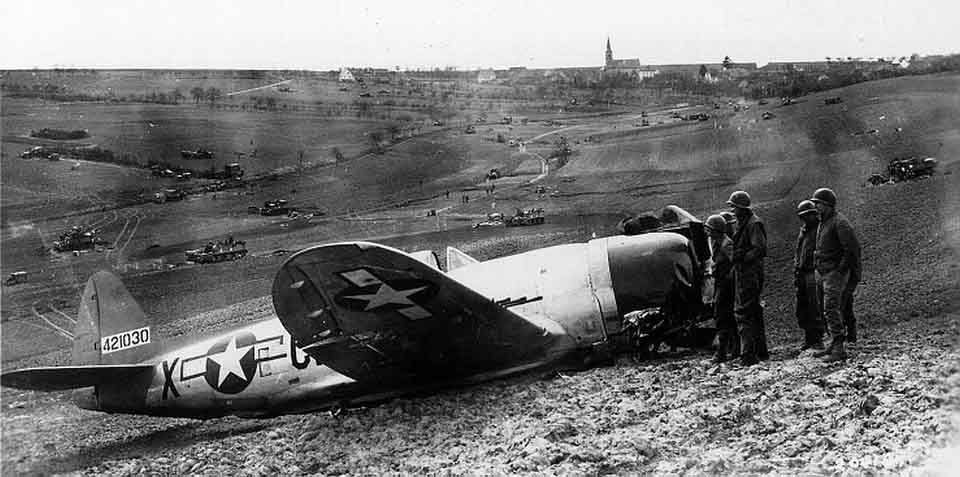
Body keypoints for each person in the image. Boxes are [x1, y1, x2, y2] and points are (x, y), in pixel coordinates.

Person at [810, 188, 861, 363]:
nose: (815, 207)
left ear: (828, 205)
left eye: (818, 204)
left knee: (831, 309)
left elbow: (852, 249)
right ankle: (833, 343)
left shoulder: (840, 222)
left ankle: (839, 347)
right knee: (825, 310)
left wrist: (840, 271)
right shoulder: (824, 221)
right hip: (823, 272)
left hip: (833, 273)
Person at [727, 191, 769, 366]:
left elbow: (760, 249)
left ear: (742, 208)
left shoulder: (753, 224)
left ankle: (748, 356)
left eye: (734, 207)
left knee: (744, 312)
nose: (732, 210)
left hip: (749, 273)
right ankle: (760, 351)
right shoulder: (744, 222)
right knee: (753, 311)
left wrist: (741, 256)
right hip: (745, 272)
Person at [705, 214, 738, 363]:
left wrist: (728, 278)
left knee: (723, 317)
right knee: (724, 317)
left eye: (710, 229)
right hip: (720, 283)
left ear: (717, 230)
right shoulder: (716, 243)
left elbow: (735, 264)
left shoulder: (726, 244)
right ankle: (733, 350)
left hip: (726, 286)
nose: (708, 232)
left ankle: (723, 352)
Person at [794, 200, 825, 351]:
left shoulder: (820, 229)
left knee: (815, 306)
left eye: (808, 215)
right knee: (803, 307)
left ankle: (818, 339)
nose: (805, 219)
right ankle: (809, 338)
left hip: (813, 272)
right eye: (803, 216)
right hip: (802, 272)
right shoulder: (804, 230)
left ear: (814, 214)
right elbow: (799, 251)